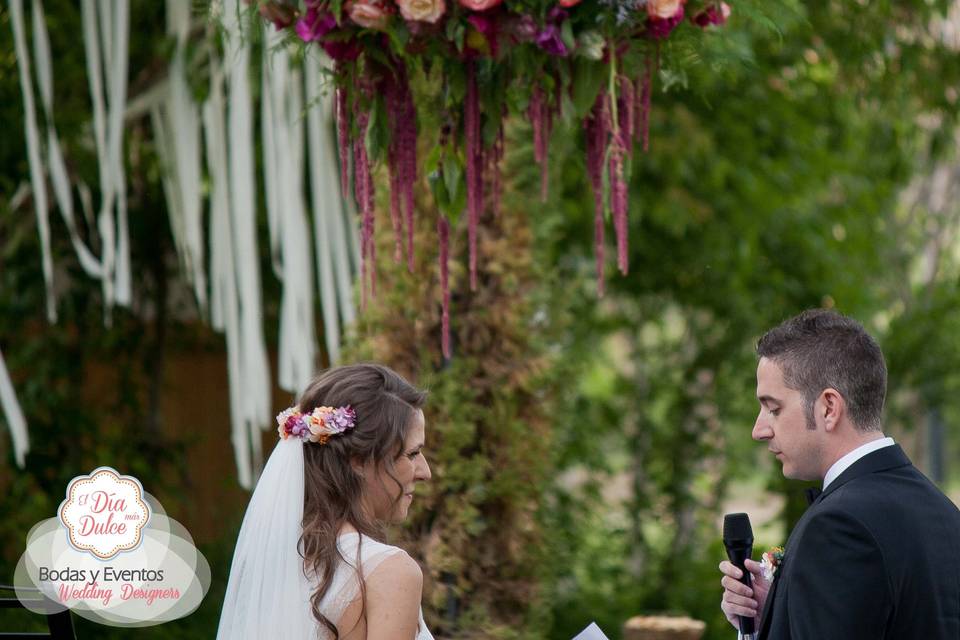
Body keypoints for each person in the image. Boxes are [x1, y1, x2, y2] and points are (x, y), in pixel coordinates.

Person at [719, 309, 960, 639]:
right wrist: (775, 617)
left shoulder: (839, 526)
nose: (759, 430)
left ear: (829, 408)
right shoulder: (943, 512)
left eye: (773, 409)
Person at [217, 363, 434, 639]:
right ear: (358, 460)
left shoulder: (282, 565)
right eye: (413, 454)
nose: (425, 472)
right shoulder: (390, 572)